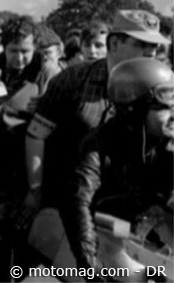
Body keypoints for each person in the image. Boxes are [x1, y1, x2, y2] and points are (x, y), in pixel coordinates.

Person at [20, 10, 171, 229]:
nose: (150, 52)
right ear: (114, 43)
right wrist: (35, 189)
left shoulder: (161, 85)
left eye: (155, 46)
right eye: (140, 44)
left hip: (127, 209)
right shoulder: (72, 80)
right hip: (69, 202)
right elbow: (36, 135)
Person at [62, 58, 173, 271]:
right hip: (107, 239)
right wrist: (89, 260)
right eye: (164, 108)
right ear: (135, 110)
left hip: (152, 237)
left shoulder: (168, 143)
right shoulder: (97, 145)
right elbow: (78, 202)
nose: (173, 115)